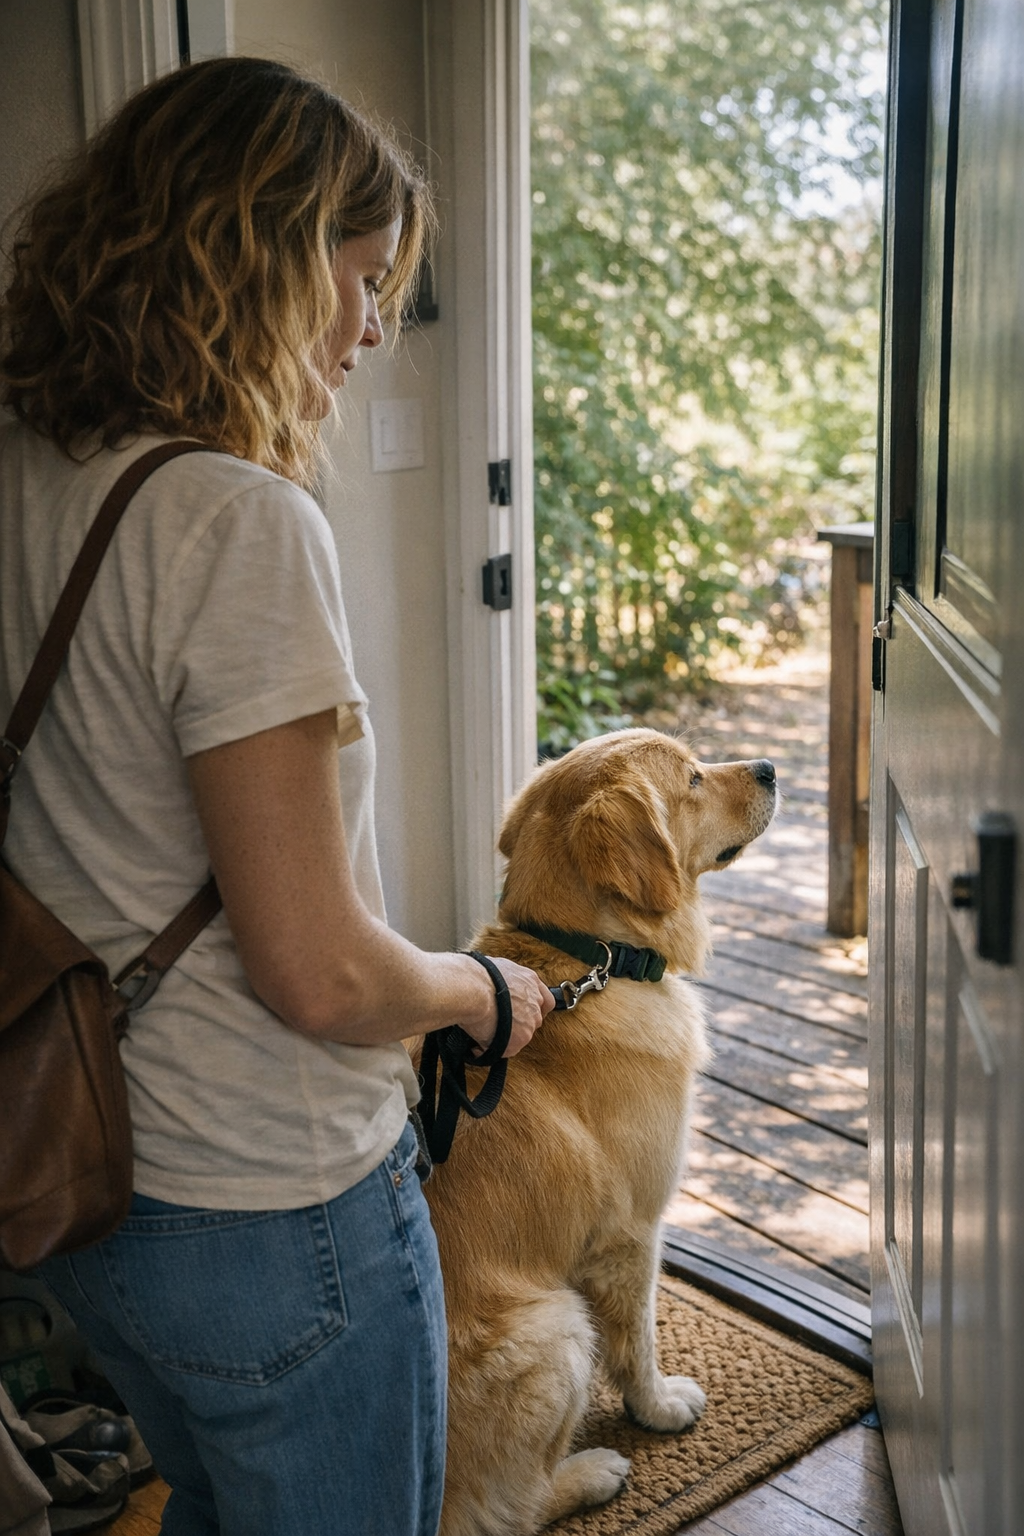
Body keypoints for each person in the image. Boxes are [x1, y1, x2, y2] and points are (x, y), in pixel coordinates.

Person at [0, 56, 553, 1536]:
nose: (376, 328)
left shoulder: (31, 473)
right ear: (254, 255)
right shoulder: (231, 520)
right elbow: (317, 972)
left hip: (82, 1170)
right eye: (362, 278)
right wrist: (475, 991)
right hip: (270, 1202)